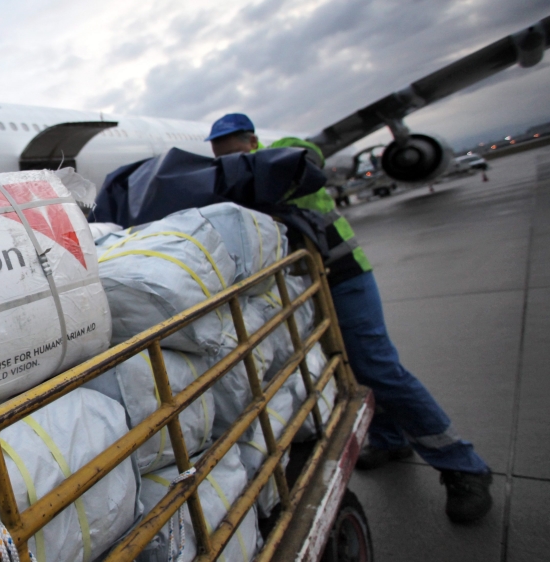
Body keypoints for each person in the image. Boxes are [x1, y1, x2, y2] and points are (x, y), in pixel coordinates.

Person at [205, 113, 493, 524]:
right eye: (219, 156)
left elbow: (309, 156)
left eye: (231, 153)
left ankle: (464, 466)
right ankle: (390, 438)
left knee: (378, 366)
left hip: (344, 276)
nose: (226, 162)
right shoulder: (237, 185)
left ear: (251, 142)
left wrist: (250, 171)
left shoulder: (284, 155)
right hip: (309, 283)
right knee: (351, 364)